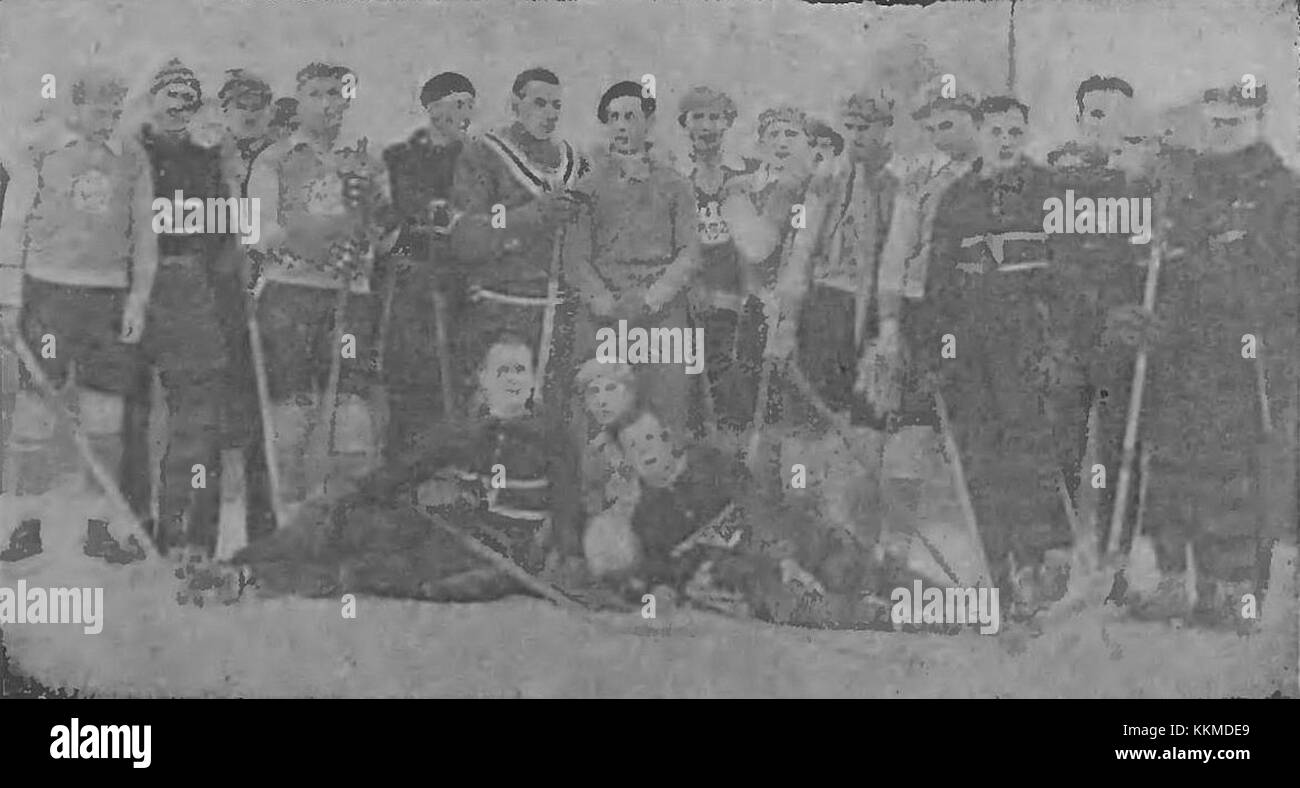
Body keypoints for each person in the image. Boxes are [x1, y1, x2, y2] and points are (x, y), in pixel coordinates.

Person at [1120, 82, 1297, 627]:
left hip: (1245, 358)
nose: (1220, 132)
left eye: (1232, 122)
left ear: (1258, 120)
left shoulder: (1281, 190)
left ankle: (1237, 595)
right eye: (1214, 121)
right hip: (1179, 356)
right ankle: (1175, 584)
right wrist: (1145, 314)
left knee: (1236, 476)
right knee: (1172, 468)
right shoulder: (1185, 187)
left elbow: (1282, 283)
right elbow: (1157, 267)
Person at [912, 93, 1089, 616]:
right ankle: (1002, 577)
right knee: (981, 460)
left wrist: (1060, 344)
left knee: (1032, 454)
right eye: (997, 132)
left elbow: (1070, 277)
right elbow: (938, 286)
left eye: (1016, 132)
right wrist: (935, 355)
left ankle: (1041, 561)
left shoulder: (1051, 190)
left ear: (1026, 135)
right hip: (969, 348)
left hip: (1028, 343)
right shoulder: (955, 198)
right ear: (980, 135)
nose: (1007, 142)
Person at [236, 331, 581, 599]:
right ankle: (255, 560)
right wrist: (357, 492)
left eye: (520, 370)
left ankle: (296, 577)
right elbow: (404, 471)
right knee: (344, 516)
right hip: (455, 534)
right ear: (483, 378)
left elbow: (567, 505)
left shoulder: (552, 436)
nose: (512, 380)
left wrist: (564, 555)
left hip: (500, 551)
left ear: (534, 378)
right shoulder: (462, 431)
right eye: (502, 371)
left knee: (392, 568)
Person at [0, 71, 154, 563]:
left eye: (114, 110)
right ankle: (24, 527)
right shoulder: (40, 148)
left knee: (104, 419)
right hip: (48, 291)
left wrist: (137, 300)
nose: (106, 119)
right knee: (34, 413)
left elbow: (145, 233)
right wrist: (8, 295)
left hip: (108, 296)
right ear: (75, 105)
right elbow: (15, 220)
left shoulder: (130, 156)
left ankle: (98, 530)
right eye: (98, 109)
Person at [247, 62, 395, 502]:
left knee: (351, 409)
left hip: (350, 296)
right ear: (299, 98)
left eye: (337, 93)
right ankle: (288, 516)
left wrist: (371, 211)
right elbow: (259, 233)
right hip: (289, 294)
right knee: (292, 410)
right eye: (317, 93)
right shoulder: (275, 158)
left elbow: (387, 238)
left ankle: (342, 521)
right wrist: (327, 232)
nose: (328, 103)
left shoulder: (368, 161)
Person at [134, 59, 247, 560]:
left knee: (197, 415)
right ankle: (120, 531)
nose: (178, 106)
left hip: (190, 289)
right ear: (152, 99)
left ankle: (189, 531)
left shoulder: (210, 155)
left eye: (188, 97)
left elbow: (230, 231)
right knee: (121, 419)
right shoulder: (132, 150)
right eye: (170, 95)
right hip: (127, 288)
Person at [563, 80, 700, 438]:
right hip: (604, 314)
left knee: (666, 411)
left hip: (661, 311)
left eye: (630, 116)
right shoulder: (586, 188)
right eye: (613, 118)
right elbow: (576, 258)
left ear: (648, 122)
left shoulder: (676, 185)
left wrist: (653, 298)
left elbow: (689, 252)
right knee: (601, 411)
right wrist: (605, 303)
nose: (621, 125)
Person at [449, 67, 587, 416]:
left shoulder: (575, 163)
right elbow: (468, 235)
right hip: (501, 309)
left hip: (560, 313)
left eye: (557, 105)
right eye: (539, 103)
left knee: (553, 419)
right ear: (515, 103)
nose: (550, 113)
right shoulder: (485, 153)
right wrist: (531, 216)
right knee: (497, 414)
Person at [381, 72, 476, 458]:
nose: (466, 113)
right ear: (432, 108)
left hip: (460, 278)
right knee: (408, 373)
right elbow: (393, 216)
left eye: (470, 104)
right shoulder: (399, 157)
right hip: (411, 278)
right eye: (458, 103)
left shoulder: (478, 158)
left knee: (455, 374)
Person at [676, 86, 754, 435]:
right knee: (689, 369)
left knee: (728, 366)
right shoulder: (675, 175)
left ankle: (735, 444)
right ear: (685, 124)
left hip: (735, 286)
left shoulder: (746, 172)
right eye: (698, 117)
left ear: (728, 123)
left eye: (714, 117)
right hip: (691, 287)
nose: (706, 126)